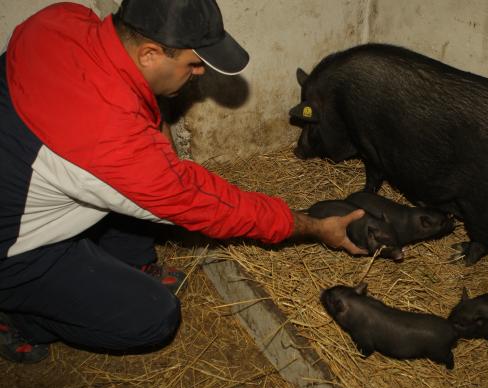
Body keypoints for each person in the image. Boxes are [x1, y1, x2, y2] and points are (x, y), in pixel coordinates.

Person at [0, 0, 366, 364]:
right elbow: (209, 205)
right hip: (14, 251)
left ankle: (126, 262)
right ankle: (21, 319)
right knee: (153, 318)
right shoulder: (110, 143)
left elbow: (146, 141)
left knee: (138, 191)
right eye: (193, 63)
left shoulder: (61, 21)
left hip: (23, 174)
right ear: (149, 54)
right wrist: (316, 226)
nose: (200, 73)